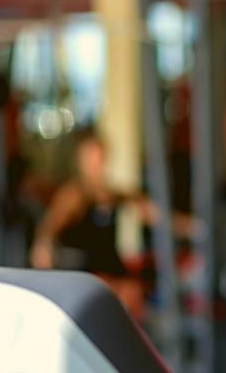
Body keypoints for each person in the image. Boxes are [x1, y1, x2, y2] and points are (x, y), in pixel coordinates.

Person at [31, 129, 198, 322]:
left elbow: (151, 213)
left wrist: (190, 227)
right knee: (125, 295)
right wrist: (43, 245)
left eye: (99, 158)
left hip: (112, 267)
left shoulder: (112, 194)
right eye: (91, 159)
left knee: (135, 295)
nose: (96, 164)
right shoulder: (73, 196)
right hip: (87, 273)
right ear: (81, 161)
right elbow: (50, 227)